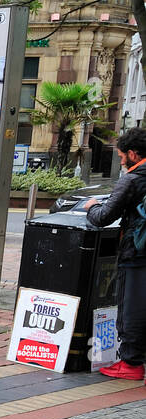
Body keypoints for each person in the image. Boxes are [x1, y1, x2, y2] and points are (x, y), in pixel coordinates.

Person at [86, 127, 146, 380]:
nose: (121, 161)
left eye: (122, 156)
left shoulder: (133, 179)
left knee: (132, 307)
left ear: (133, 154)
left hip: (137, 253)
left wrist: (93, 206)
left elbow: (102, 217)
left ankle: (131, 364)